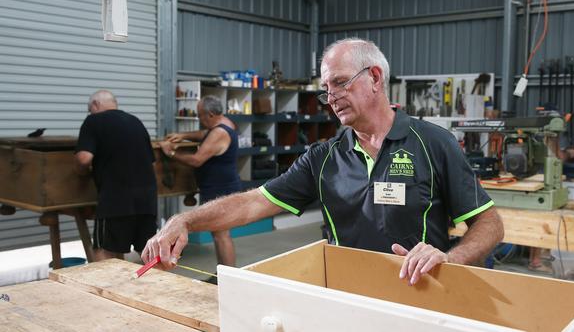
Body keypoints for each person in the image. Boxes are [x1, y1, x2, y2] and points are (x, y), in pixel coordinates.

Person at [143, 38, 504, 285]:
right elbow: (254, 202)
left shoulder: (433, 144)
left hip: (419, 297)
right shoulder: (324, 156)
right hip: (345, 296)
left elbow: (489, 223)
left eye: (340, 83)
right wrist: (185, 219)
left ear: (375, 78)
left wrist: (450, 259)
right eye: (326, 89)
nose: (330, 97)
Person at [158, 95, 240, 269]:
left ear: (210, 114)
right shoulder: (225, 123)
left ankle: (228, 277)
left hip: (220, 188)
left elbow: (197, 160)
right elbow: (204, 134)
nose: (199, 119)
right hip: (221, 185)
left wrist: (170, 153)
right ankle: (224, 274)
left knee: (221, 234)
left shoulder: (219, 132)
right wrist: (183, 135)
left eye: (201, 115)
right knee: (219, 233)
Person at [75, 90, 158, 261]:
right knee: (149, 252)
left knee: (104, 250)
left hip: (115, 200)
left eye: (89, 108)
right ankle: (157, 287)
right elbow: (152, 163)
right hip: (146, 200)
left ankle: (103, 288)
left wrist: (82, 173)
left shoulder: (94, 120)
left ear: (96, 105)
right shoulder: (135, 121)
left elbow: (84, 159)